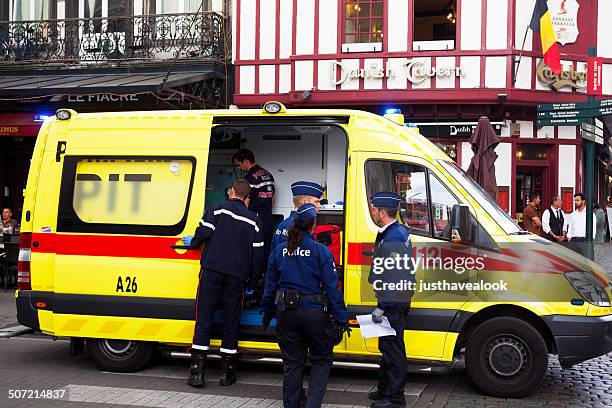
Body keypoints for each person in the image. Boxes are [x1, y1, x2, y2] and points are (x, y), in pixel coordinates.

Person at [261, 203, 349, 408]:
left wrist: (266, 311)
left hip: (287, 315)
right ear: (313, 226)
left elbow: (269, 286)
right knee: (321, 360)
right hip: (315, 315)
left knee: (292, 364)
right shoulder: (321, 251)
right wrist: (342, 319)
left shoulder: (280, 251)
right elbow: (332, 289)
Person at [185, 179, 264, 388]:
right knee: (231, 322)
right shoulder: (254, 220)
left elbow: (203, 233)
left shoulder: (216, 208)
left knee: (203, 319)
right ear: (247, 198)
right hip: (236, 277)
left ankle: (197, 372)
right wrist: (253, 282)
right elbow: (258, 256)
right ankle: (226, 373)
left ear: (231, 192)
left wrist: (192, 243)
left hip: (211, 272)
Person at [367, 192, 414, 408]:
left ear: (382, 212)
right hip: (394, 298)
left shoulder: (393, 236)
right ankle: (384, 390)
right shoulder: (396, 231)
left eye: (374, 209)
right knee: (387, 347)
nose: (372, 212)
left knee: (393, 351)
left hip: (391, 301)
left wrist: (383, 306)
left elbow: (394, 275)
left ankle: (395, 399)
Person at [233, 149, 276, 263]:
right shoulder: (268, 175)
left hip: (255, 217)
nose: (239, 168)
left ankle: (254, 277)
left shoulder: (249, 179)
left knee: (253, 249)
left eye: (238, 165)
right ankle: (266, 275)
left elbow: (246, 201)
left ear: (246, 161)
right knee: (267, 248)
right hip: (268, 216)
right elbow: (272, 199)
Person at [271, 181, 323, 250]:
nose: (320, 206)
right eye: (316, 202)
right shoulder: (302, 226)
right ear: (305, 202)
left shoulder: (282, 224)